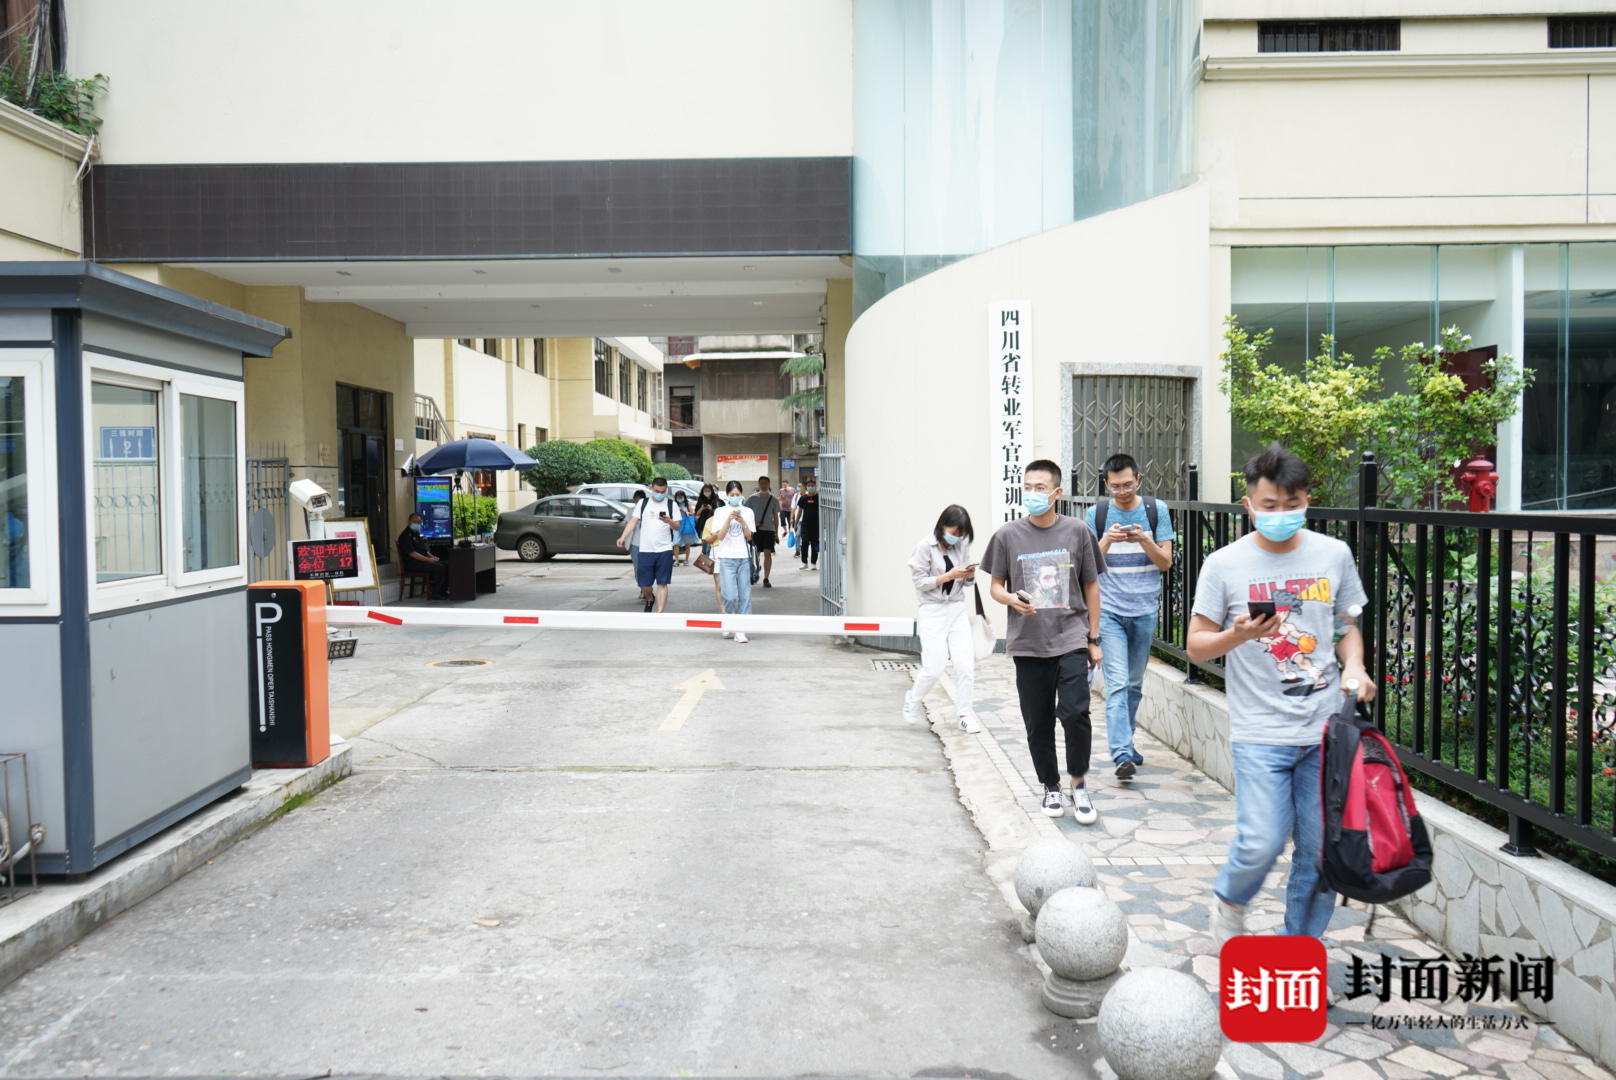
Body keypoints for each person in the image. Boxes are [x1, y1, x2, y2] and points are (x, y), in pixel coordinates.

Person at [1186, 445, 1372, 945]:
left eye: (1292, 504)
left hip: (1325, 730)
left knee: (1319, 851)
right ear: (1249, 505)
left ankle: (1300, 949)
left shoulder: (1334, 554)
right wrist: (1239, 635)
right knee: (1262, 841)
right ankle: (1231, 898)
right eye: (1269, 505)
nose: (1281, 514)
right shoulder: (1224, 564)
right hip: (1260, 732)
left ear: (1307, 500)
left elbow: (1345, 625)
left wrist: (1355, 666)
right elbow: (1196, 646)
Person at [980, 459, 1105, 825]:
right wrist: (1010, 599)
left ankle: (1078, 785)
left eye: (1040, 488)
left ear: (1056, 492)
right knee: (1038, 721)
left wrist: (1093, 638)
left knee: (1076, 714)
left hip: (1070, 637)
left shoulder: (1078, 532)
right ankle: (1050, 785)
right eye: (1028, 487)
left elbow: (1092, 586)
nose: (1032, 493)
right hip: (1028, 642)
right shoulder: (1007, 535)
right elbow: (995, 586)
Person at [1083, 453, 1175, 781]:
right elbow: (1087, 567)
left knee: (1134, 684)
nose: (1122, 491)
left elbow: (1165, 562)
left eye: (1127, 485)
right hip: (1109, 610)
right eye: (1115, 486)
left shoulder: (1156, 510)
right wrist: (1106, 540)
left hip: (1145, 610)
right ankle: (1121, 752)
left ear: (1138, 480)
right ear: (1106, 485)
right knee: (1118, 683)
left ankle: (1128, 740)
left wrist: (1145, 539)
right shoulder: (1096, 514)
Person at [903, 504, 983, 734]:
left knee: (965, 666)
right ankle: (912, 699)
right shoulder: (924, 546)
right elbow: (920, 582)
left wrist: (969, 575)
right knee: (934, 668)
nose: (957, 537)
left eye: (961, 534)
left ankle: (965, 714)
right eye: (954, 532)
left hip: (956, 608)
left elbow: (966, 584)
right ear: (943, 525)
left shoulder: (961, 546)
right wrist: (947, 576)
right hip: (932, 609)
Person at [618, 478, 682, 613]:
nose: (660, 494)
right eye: (657, 491)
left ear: (666, 490)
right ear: (651, 488)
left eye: (663, 492)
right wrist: (623, 537)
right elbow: (632, 521)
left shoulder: (672, 504)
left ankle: (660, 613)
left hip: (664, 549)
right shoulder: (643, 503)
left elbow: (677, 527)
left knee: (662, 583)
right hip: (645, 550)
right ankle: (650, 598)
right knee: (644, 584)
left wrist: (669, 521)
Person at [709, 480, 756, 644]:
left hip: (743, 557)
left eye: (737, 494)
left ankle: (741, 630)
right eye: (732, 495)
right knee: (729, 595)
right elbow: (720, 537)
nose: (735, 497)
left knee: (745, 595)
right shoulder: (720, 512)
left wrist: (742, 521)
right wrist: (728, 520)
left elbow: (749, 536)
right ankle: (728, 621)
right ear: (727, 495)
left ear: (741, 495)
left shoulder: (748, 511)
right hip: (726, 557)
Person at [397, 513, 449, 600]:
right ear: (409, 522)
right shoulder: (405, 536)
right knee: (439, 567)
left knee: (447, 564)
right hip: (413, 564)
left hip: (423, 562)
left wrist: (433, 557)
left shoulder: (416, 534)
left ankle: (443, 591)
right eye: (414, 521)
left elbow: (425, 551)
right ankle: (435, 593)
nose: (416, 524)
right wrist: (429, 560)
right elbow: (413, 553)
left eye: (418, 522)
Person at [745, 475, 780, 588]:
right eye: (762, 483)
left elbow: (776, 517)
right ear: (759, 484)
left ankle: (766, 578)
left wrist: (776, 533)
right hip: (755, 531)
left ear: (769, 485)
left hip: (769, 530)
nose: (764, 485)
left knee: (767, 553)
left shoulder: (774, 500)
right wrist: (752, 523)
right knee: (755, 554)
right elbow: (745, 514)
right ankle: (754, 572)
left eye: (766, 483)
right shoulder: (752, 498)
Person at [627, 490, 652, 606]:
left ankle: (647, 589)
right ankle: (643, 589)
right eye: (636, 501)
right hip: (635, 544)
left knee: (648, 569)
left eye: (639, 501)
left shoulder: (650, 510)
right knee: (638, 569)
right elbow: (627, 525)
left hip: (648, 545)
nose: (637, 504)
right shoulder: (631, 511)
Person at [795, 476, 820, 570]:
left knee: (815, 544)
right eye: (809, 485)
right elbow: (799, 511)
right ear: (806, 487)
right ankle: (804, 562)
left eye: (812, 485)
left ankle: (814, 563)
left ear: (815, 486)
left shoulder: (819, 497)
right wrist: (796, 523)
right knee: (804, 543)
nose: (810, 487)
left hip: (816, 525)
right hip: (805, 524)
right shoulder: (803, 498)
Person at [673, 490, 698, 565]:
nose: (680, 498)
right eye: (678, 497)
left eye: (681, 497)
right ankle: (676, 560)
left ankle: (686, 560)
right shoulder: (674, 504)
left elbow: (692, 513)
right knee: (676, 543)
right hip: (677, 523)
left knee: (687, 543)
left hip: (686, 524)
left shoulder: (688, 504)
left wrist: (685, 512)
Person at [694, 483, 720, 556]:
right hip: (703, 524)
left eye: (708, 491)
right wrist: (702, 508)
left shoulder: (715, 500)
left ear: (711, 491)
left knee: (711, 544)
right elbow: (697, 514)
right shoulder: (700, 501)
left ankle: (710, 557)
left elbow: (718, 513)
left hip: (713, 524)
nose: (707, 493)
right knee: (705, 544)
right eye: (705, 491)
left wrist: (711, 508)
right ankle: (706, 557)